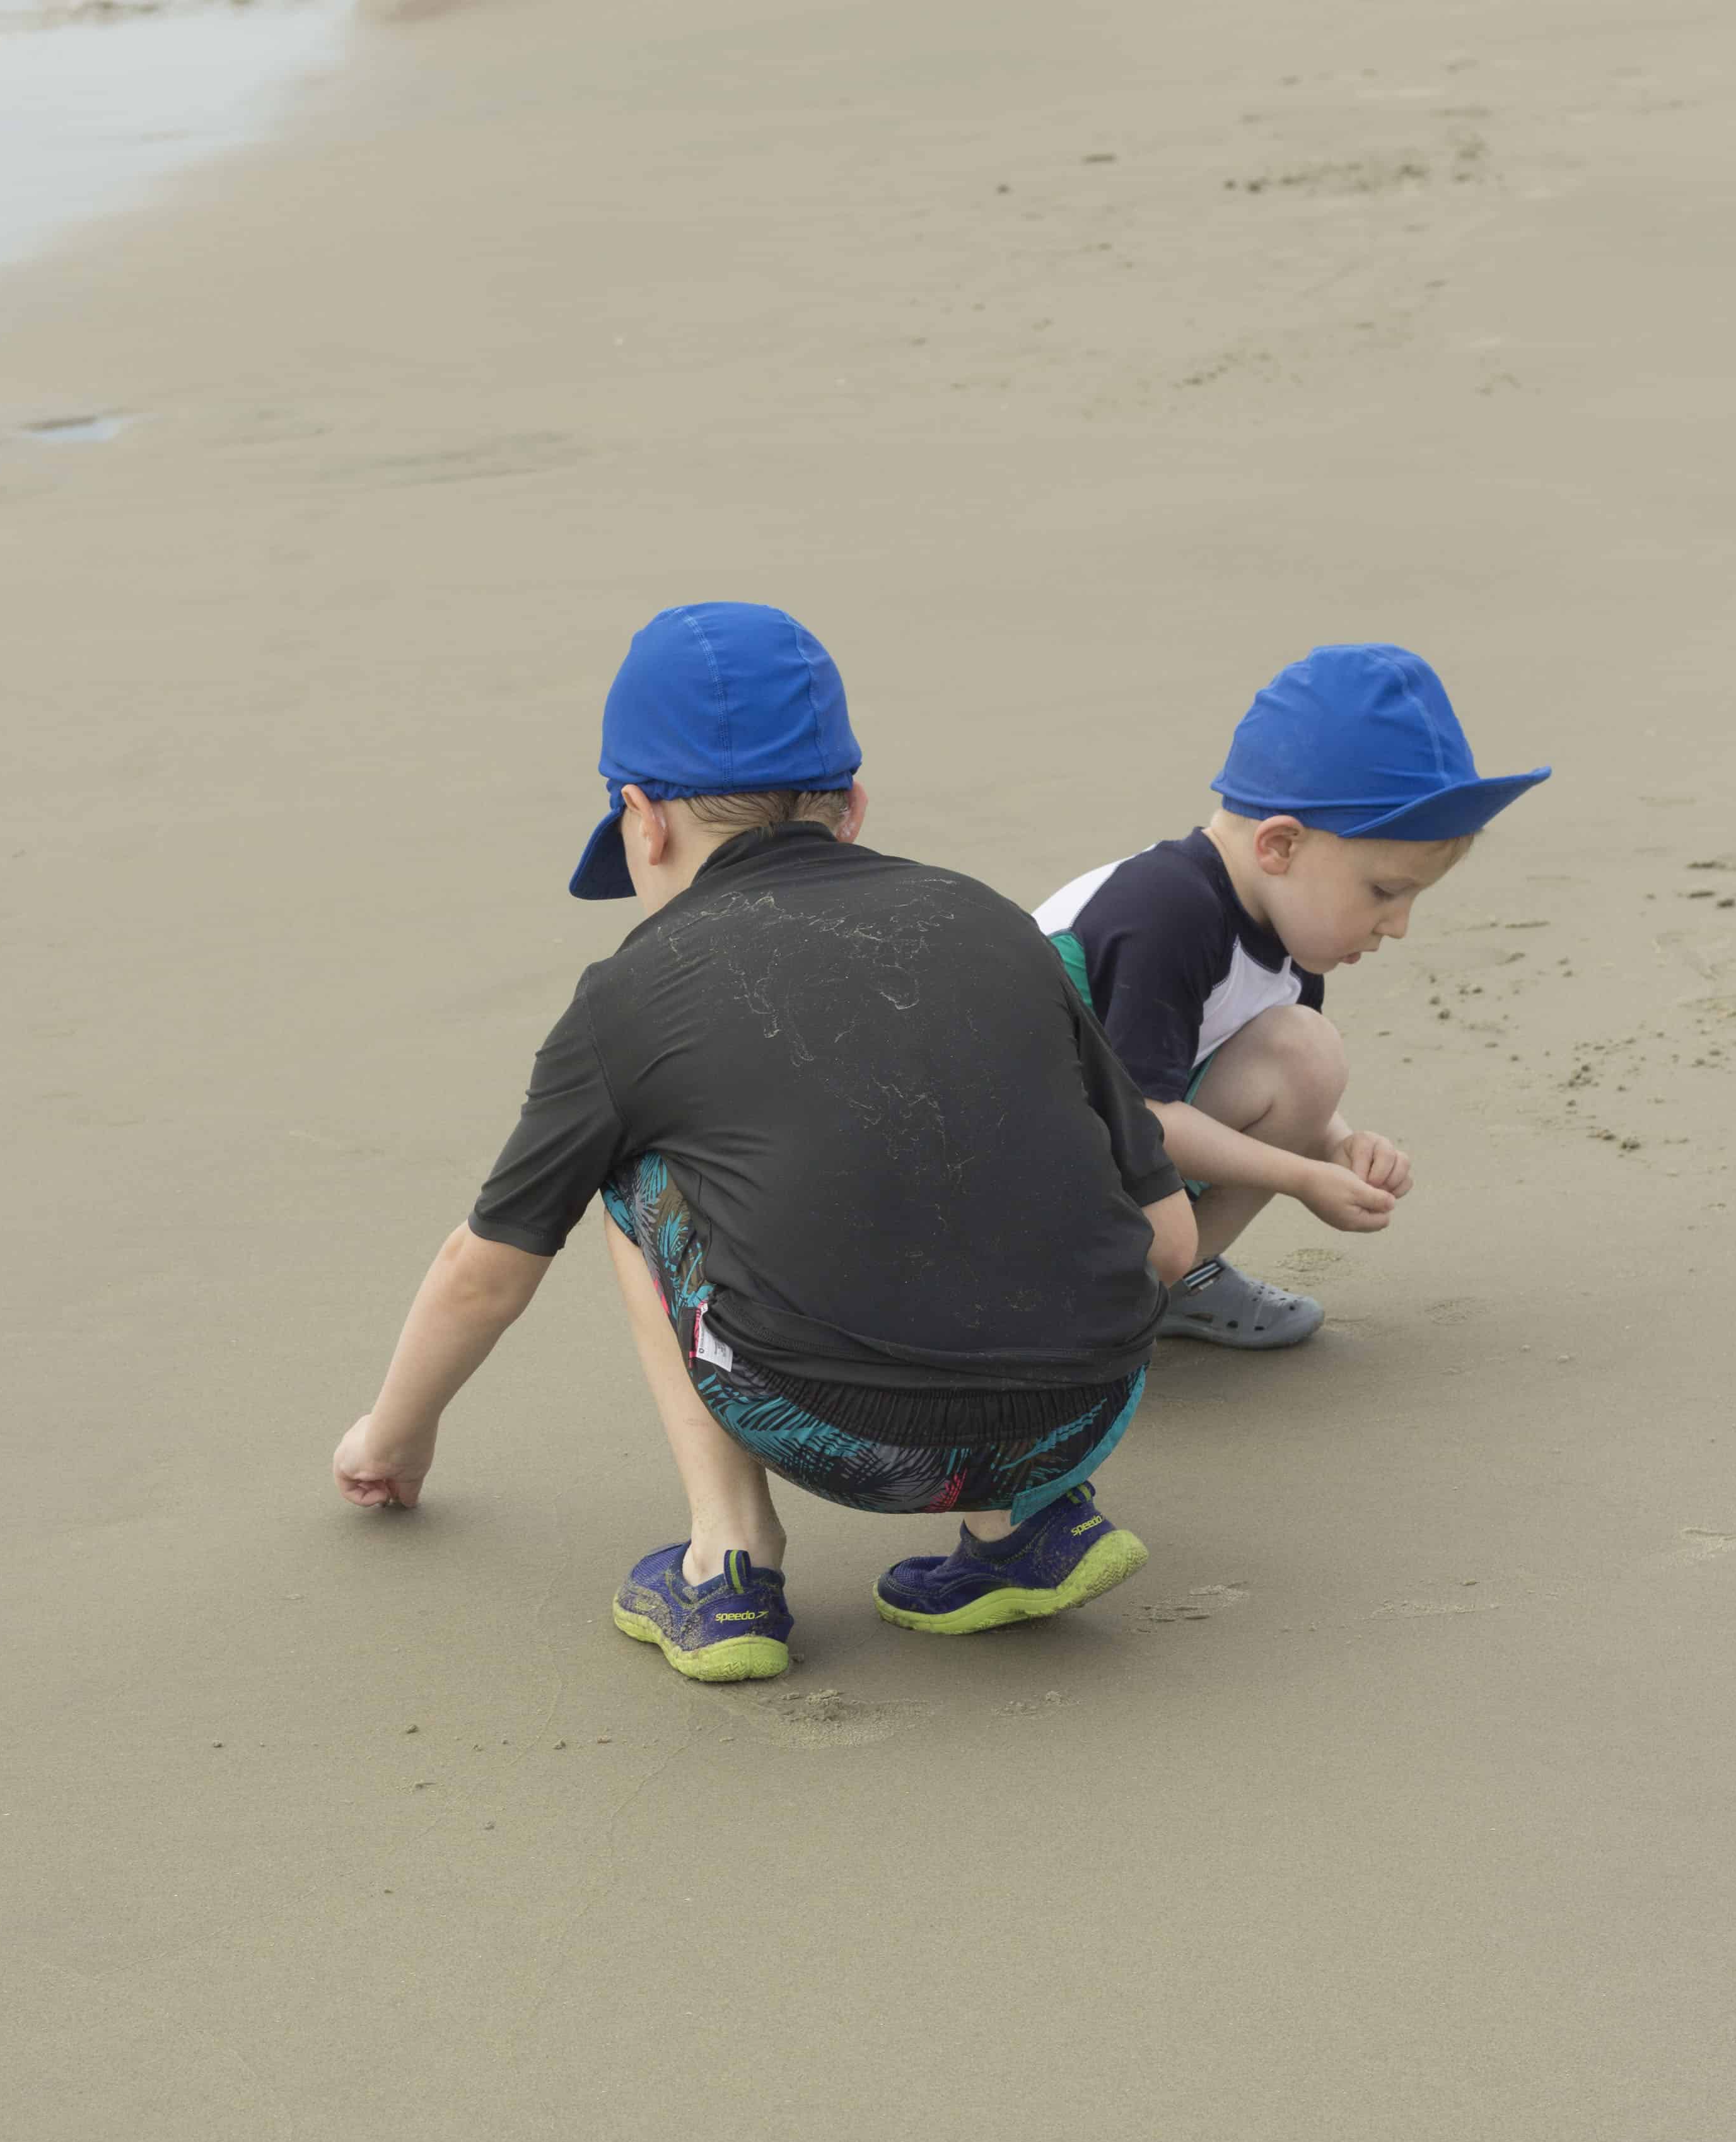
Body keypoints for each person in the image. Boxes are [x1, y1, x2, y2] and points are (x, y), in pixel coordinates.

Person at [334, 602, 1195, 1682]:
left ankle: (727, 1559)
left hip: (842, 1434)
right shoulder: (994, 924)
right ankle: (1026, 1525)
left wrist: (392, 1438)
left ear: (642, 821)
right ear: (852, 806)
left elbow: (487, 1272)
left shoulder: (634, 992)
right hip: (1085, 1407)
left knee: (642, 1164)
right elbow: (1168, 1238)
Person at [1032, 644, 1550, 1347]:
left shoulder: (1286, 929)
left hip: (1092, 1164)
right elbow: (1147, 1116)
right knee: (1306, 1052)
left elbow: (1223, 1083)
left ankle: (1162, 1288)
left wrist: (1339, 1144)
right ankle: (1081, 1311)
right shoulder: (1164, 909)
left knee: (1305, 1057)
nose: (1397, 926)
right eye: (1384, 891)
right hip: (999, 1195)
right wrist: (1303, 1177)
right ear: (1281, 845)